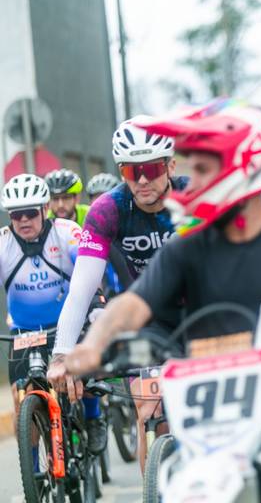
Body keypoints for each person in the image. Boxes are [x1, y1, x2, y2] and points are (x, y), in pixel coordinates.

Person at [62, 99, 261, 503]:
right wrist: (90, 346)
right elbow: (132, 305)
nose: (189, 181)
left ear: (241, 168)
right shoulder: (186, 248)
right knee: (188, 489)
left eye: (201, 170)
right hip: (217, 397)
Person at [47, 115, 185, 468]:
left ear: (171, 166)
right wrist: (62, 354)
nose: (142, 180)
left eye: (151, 168)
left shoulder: (195, 196)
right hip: (145, 321)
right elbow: (80, 290)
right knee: (150, 414)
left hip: (199, 314)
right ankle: (155, 486)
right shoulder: (108, 210)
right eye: (131, 171)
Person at [0, 175, 99, 450]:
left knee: (84, 378)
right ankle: (32, 468)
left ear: (45, 209)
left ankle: (94, 419)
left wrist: (97, 304)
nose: (23, 220)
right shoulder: (3, 243)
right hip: (24, 332)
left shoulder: (67, 232)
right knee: (22, 401)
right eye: (16, 214)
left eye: (30, 213)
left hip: (67, 325)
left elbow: (89, 268)